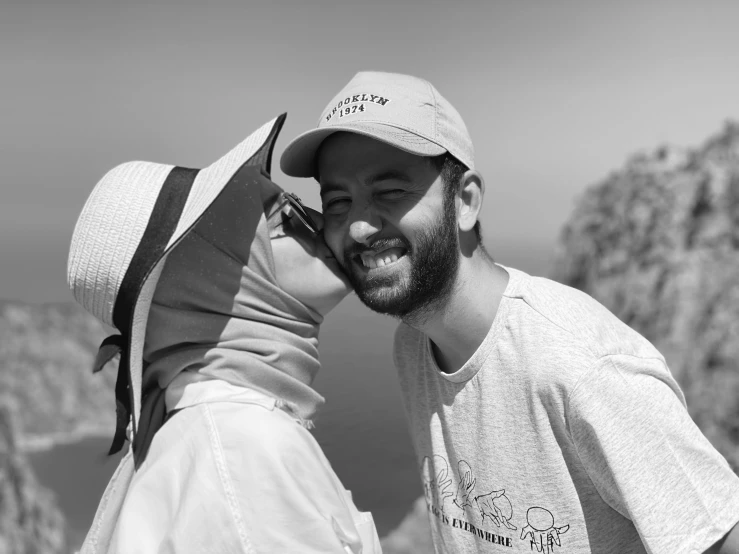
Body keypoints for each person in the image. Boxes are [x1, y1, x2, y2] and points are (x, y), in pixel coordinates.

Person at [279, 71, 739, 553]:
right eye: (337, 201)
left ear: (466, 202)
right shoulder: (416, 344)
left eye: (390, 191)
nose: (357, 228)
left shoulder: (582, 369)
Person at [68, 113, 381, 553]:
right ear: (213, 276)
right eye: (284, 220)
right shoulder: (244, 454)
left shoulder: (204, 435)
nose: (318, 223)